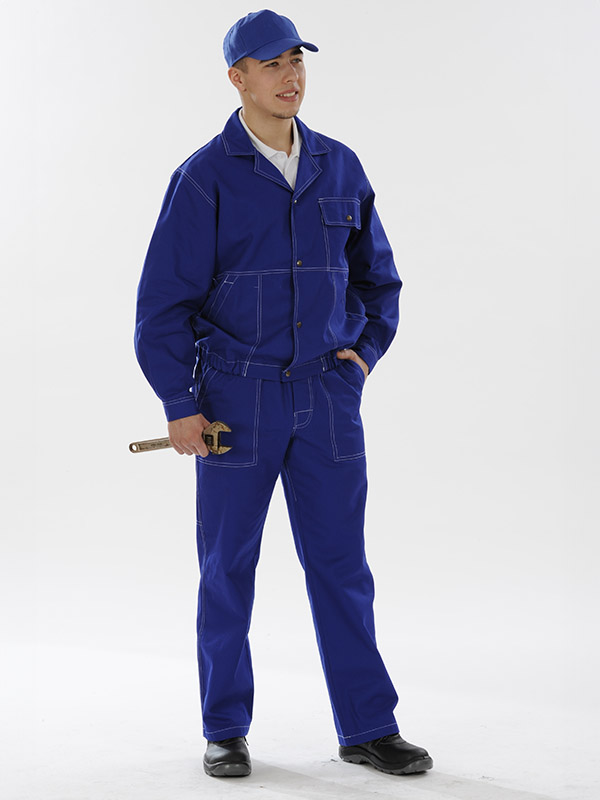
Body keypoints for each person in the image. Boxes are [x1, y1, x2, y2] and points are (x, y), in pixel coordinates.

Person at [134, 8, 432, 780]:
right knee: (227, 567)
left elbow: (379, 280)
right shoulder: (204, 178)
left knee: (342, 567)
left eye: (297, 60)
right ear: (237, 78)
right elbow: (162, 304)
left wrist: (361, 360)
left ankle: (368, 727)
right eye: (271, 64)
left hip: (327, 399)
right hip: (235, 403)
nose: (290, 76)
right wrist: (180, 403)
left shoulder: (340, 165)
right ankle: (225, 728)